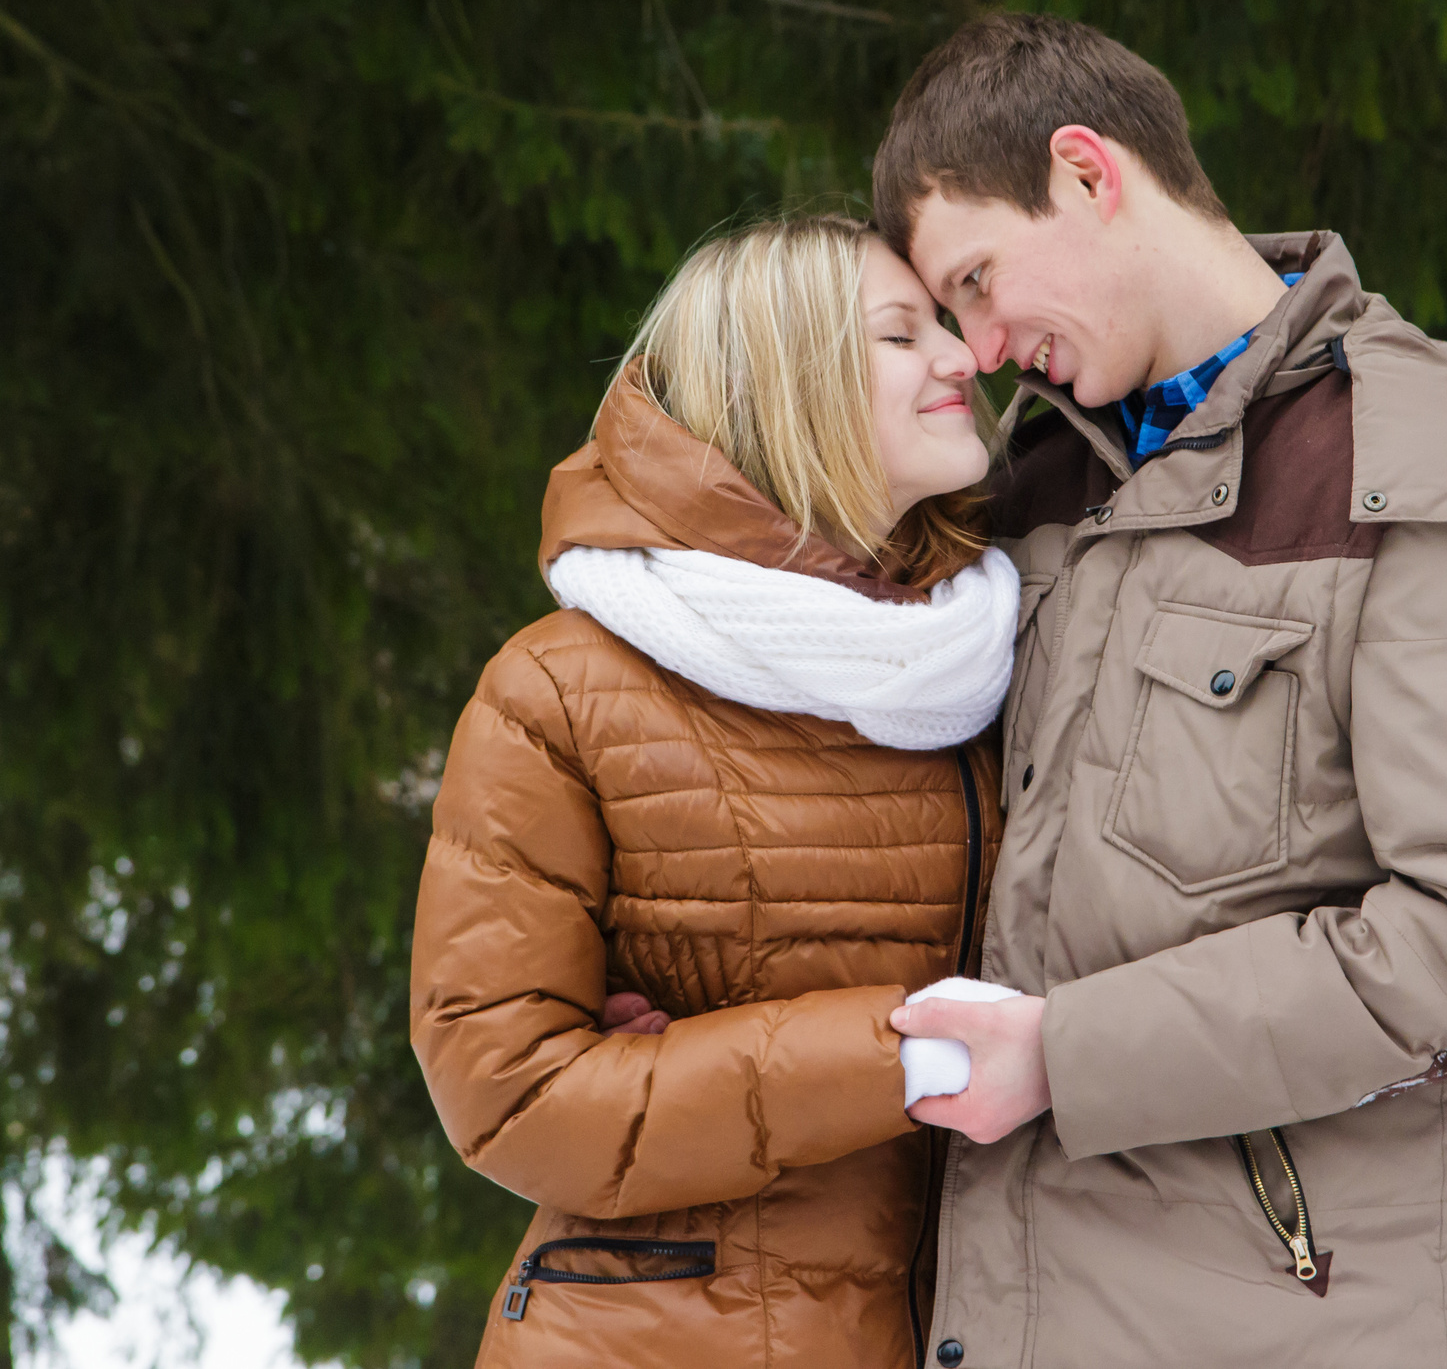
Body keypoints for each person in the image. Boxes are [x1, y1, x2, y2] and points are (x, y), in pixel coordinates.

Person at [875, 14, 1447, 1367]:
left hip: (1329, 1318)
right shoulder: (1037, 494)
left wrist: (1067, 1054)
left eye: (978, 279)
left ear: (1090, 172)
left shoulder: (1425, 480)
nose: (974, 349)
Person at [409, 216, 1021, 1369]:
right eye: (901, 335)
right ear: (791, 386)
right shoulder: (564, 689)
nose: (962, 358)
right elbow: (508, 1094)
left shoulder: (990, 657)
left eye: (942, 323)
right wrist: (907, 1058)